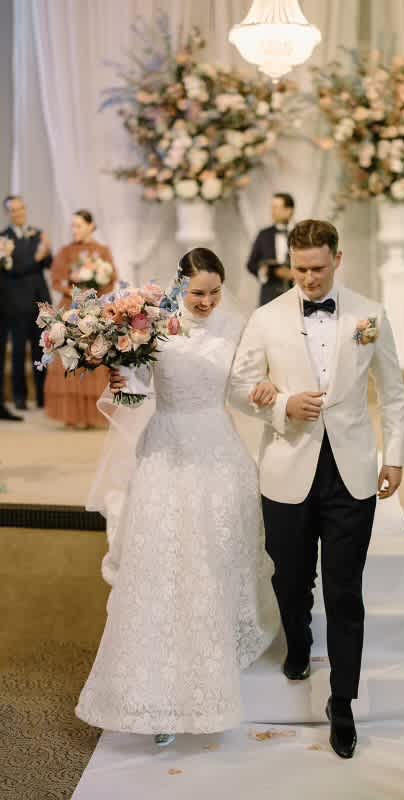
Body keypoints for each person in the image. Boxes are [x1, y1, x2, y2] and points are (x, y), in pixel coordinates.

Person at [76, 248, 278, 745]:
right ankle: (156, 700)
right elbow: (136, 393)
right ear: (180, 288)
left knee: (213, 564)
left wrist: (260, 392)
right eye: (197, 293)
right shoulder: (151, 327)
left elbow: (238, 389)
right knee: (163, 569)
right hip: (166, 452)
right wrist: (122, 383)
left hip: (219, 452)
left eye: (214, 292)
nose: (206, 302)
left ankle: (213, 672)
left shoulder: (236, 327)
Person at [230, 219, 404, 759]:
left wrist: (394, 456)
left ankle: (343, 703)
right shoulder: (265, 318)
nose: (309, 279)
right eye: (300, 269)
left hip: (352, 470)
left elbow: (393, 392)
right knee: (289, 578)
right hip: (287, 467)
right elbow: (238, 387)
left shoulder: (369, 314)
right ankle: (299, 642)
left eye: (318, 268)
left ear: (338, 259)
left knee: (345, 589)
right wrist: (283, 404)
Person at [44, 210, 117, 429]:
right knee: (69, 357)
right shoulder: (66, 251)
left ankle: (91, 414)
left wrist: (94, 291)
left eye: (78, 225)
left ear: (91, 226)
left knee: (93, 355)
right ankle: (73, 414)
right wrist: (74, 288)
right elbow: (57, 280)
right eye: (72, 226)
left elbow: (111, 280)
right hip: (70, 308)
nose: (74, 229)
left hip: (94, 308)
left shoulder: (102, 251)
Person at [0, 195, 52, 416]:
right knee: (19, 351)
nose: (18, 213)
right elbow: (13, 269)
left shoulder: (37, 233)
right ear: (7, 213)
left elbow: (48, 263)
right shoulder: (3, 239)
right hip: (15, 303)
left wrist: (46, 253)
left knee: (42, 350)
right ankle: (19, 397)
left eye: (21, 208)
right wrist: (37, 258)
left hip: (39, 302)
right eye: (13, 210)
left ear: (25, 209)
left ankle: (42, 396)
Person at [247, 192, 295, 306]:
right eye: (272, 207)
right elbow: (251, 264)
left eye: (277, 207)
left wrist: (295, 274)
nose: (273, 211)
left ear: (289, 210)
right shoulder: (263, 234)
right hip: (269, 295)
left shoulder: (300, 232)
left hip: (294, 292)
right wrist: (263, 272)